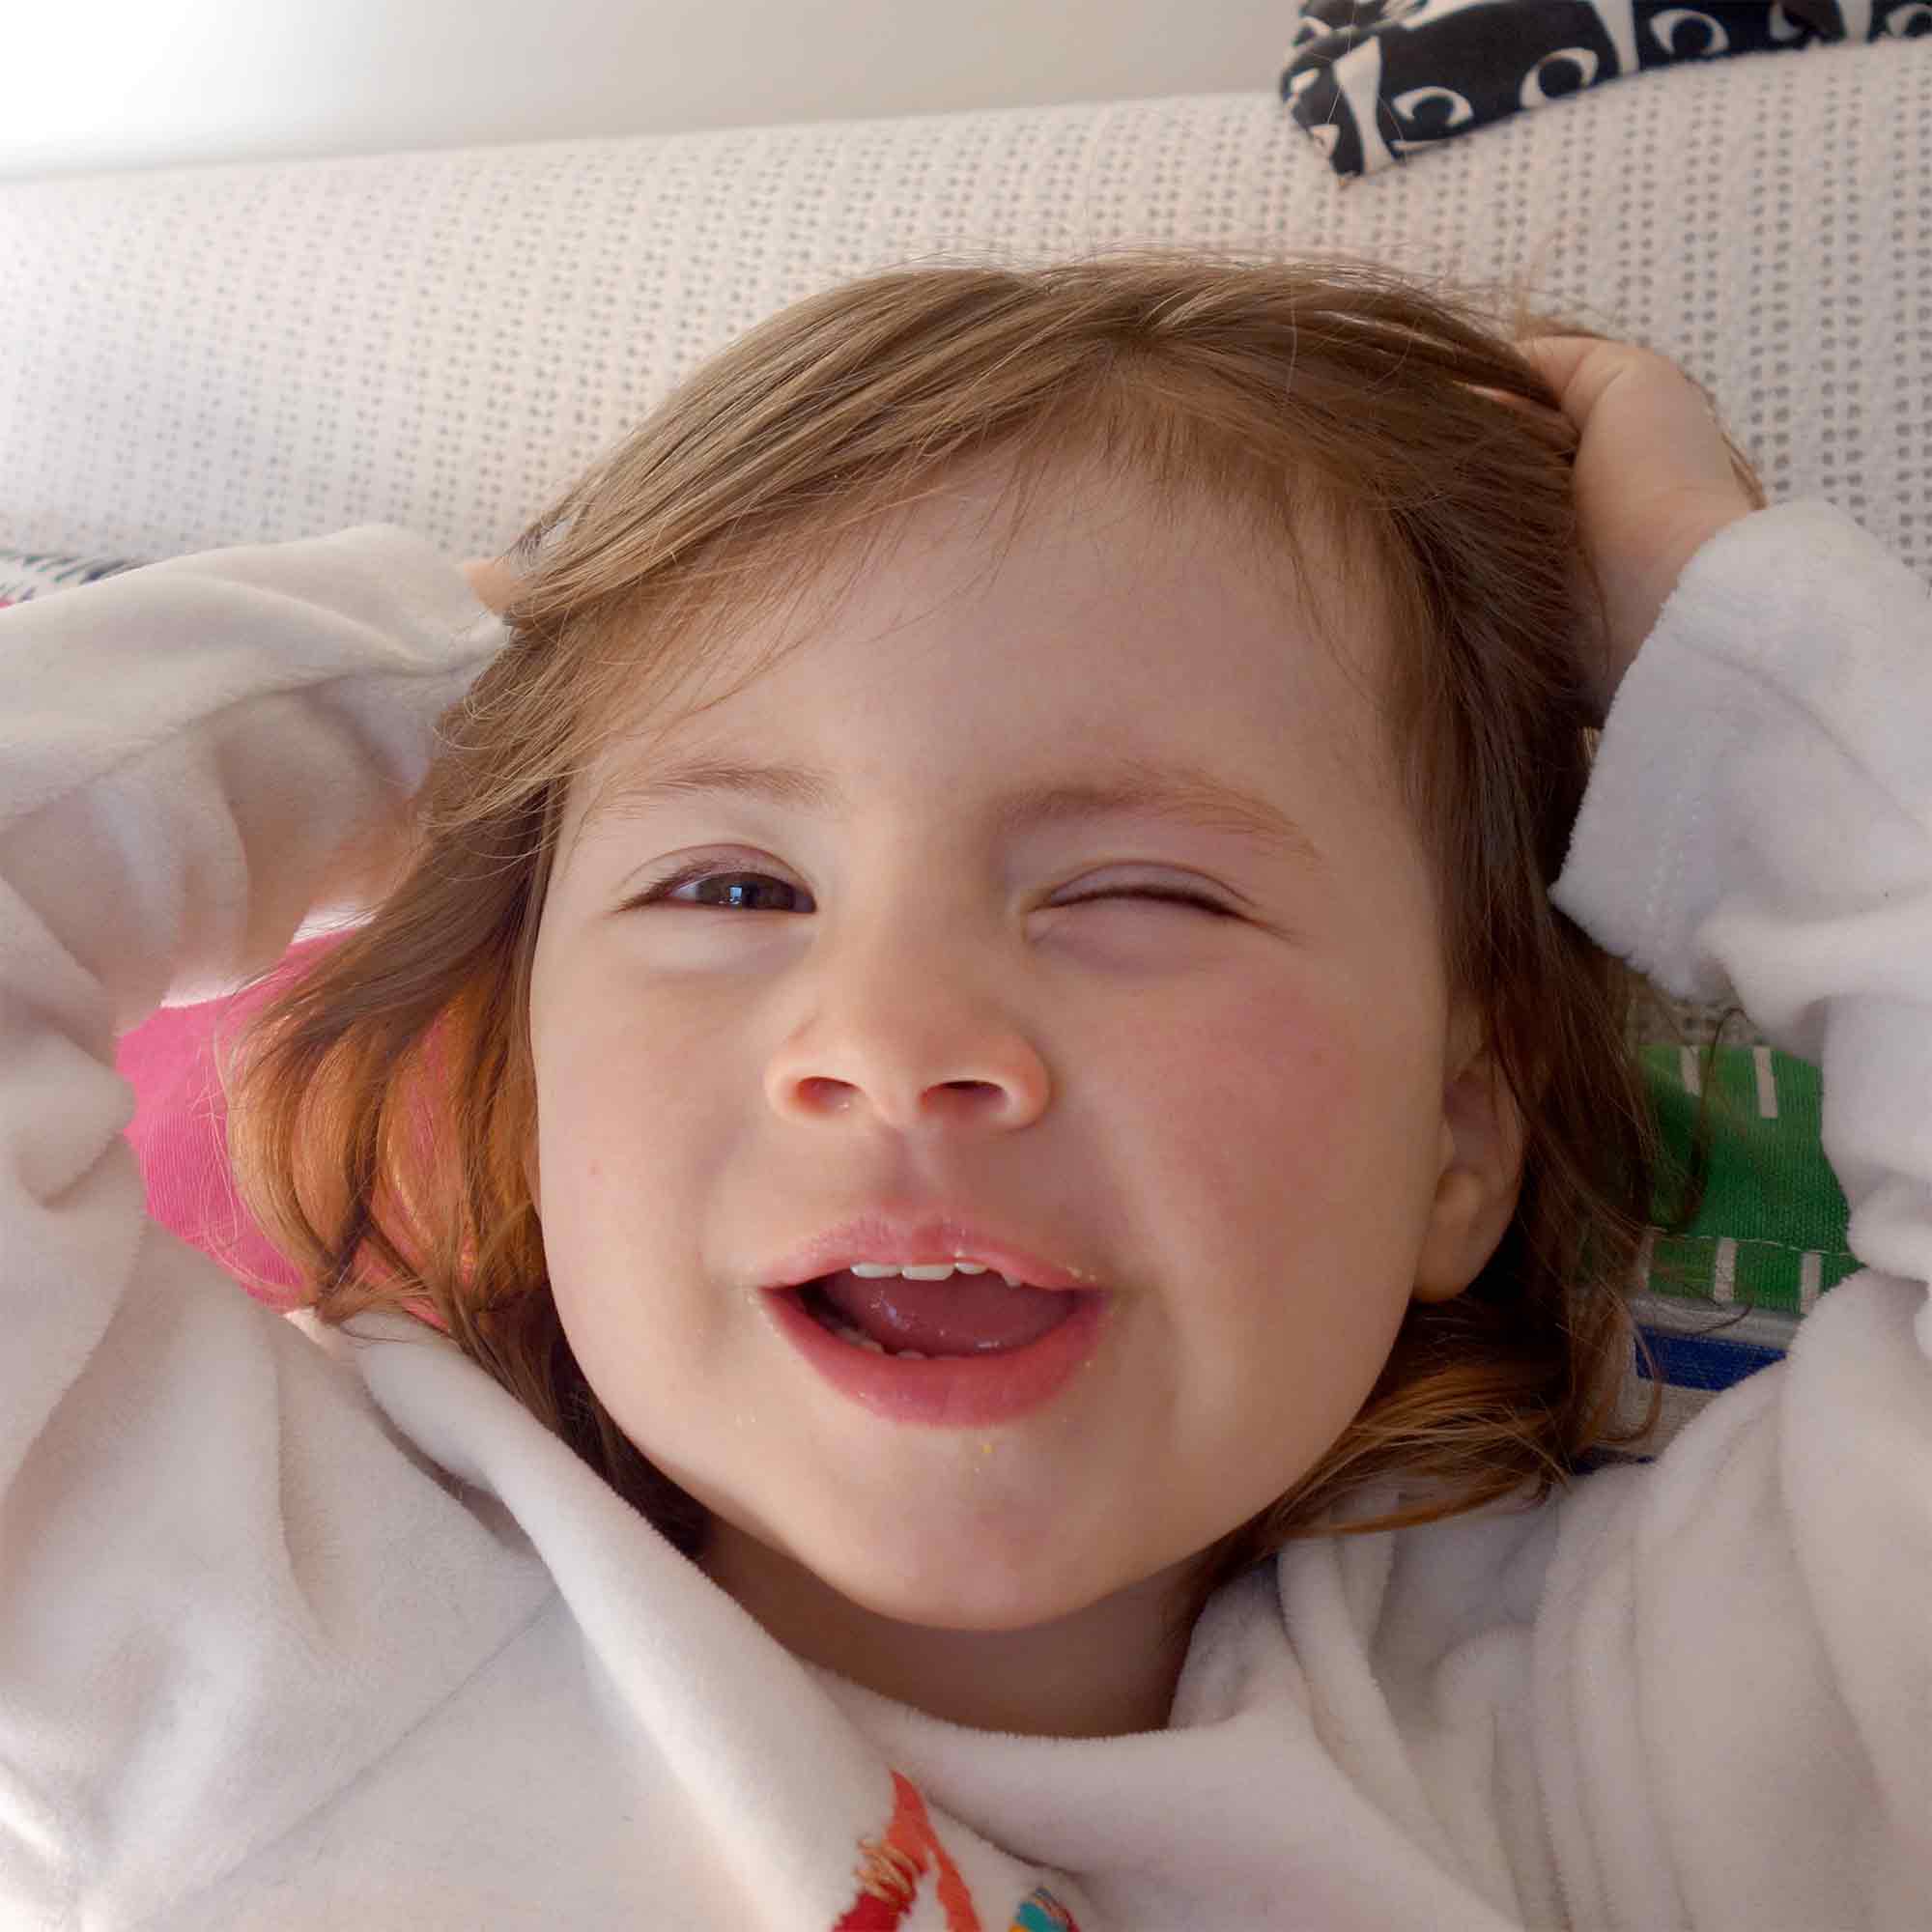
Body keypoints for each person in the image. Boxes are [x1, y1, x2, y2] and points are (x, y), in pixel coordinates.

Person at [1, 251, 1925, 1931]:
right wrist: (482, 677)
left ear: (1456, 1136)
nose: (900, 1038)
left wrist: (1721, 653)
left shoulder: (1594, 1751)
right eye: (730, 888)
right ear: (529, 1084)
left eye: (1142, 892)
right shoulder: (281, 1634)